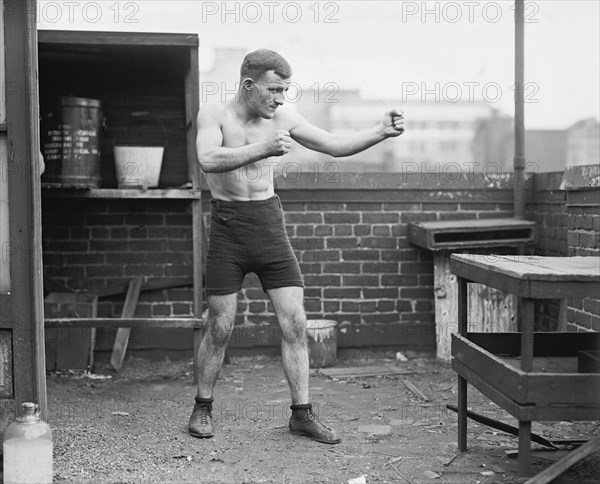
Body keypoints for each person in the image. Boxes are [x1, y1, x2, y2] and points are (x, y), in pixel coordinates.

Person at [190, 48, 404, 444]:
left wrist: (380, 132)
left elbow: (333, 145)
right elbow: (208, 158)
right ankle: (203, 406)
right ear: (248, 85)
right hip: (228, 227)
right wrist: (264, 149)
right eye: (273, 90)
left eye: (285, 91)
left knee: (294, 322)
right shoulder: (214, 114)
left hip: (270, 225)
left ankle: (301, 415)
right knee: (219, 326)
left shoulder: (283, 118)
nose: (279, 99)